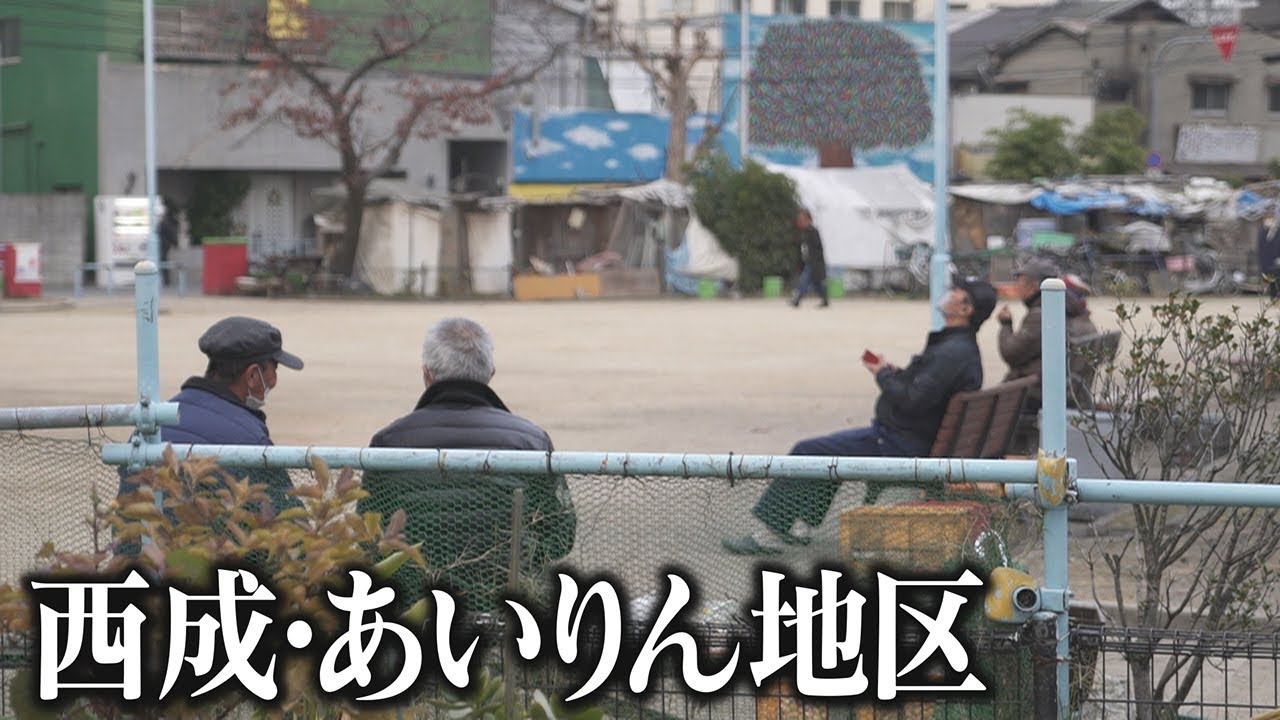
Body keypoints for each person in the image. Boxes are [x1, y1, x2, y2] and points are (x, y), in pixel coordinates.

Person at [724, 276, 997, 555]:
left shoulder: (952, 353)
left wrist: (883, 374)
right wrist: (896, 373)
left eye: (955, 291)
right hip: (909, 437)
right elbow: (922, 390)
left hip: (900, 444)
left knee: (808, 452)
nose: (948, 293)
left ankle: (768, 534)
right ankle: (795, 525)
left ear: (965, 309)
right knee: (825, 451)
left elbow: (911, 401)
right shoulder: (958, 348)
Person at [360, 317, 576, 613]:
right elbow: (561, 536)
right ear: (490, 373)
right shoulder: (531, 443)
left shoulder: (388, 443)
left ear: (426, 375)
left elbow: (370, 537)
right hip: (506, 610)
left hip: (413, 613)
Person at [116, 317, 304, 547]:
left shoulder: (149, 427)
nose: (275, 381)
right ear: (253, 375)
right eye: (274, 369)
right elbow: (290, 522)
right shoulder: (249, 440)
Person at [995, 257, 1061, 411]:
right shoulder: (1055, 308)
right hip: (1042, 387)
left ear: (1035, 286)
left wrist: (1005, 325)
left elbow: (1011, 353)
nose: (1017, 286)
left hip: (1034, 393)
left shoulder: (1040, 316)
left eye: (1021, 281)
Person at [791, 209, 829, 308]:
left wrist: (815, 262)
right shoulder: (803, 233)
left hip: (814, 263)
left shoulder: (813, 232)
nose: (800, 222)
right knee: (817, 284)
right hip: (807, 262)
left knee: (804, 280)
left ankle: (797, 299)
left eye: (802, 220)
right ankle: (825, 299)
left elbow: (817, 249)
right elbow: (802, 249)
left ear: (808, 220)